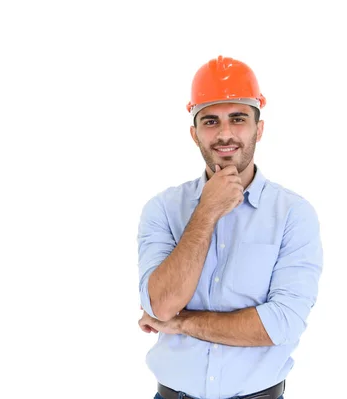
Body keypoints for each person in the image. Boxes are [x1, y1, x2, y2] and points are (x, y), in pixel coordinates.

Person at [137, 55, 323, 399]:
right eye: (210, 121)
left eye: (238, 118)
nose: (224, 134)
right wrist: (206, 212)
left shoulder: (294, 214)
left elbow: (281, 323)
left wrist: (182, 323)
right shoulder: (162, 209)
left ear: (259, 129)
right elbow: (160, 306)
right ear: (195, 134)